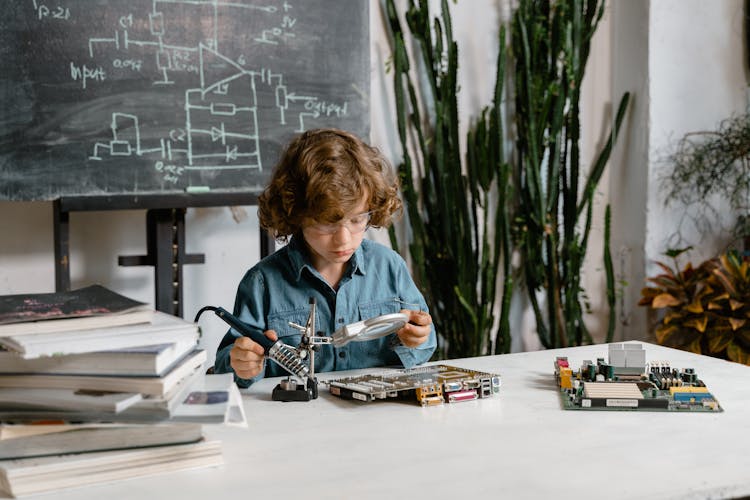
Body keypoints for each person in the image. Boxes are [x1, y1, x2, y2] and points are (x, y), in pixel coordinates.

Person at [213, 128, 436, 387]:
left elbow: (425, 346)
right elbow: (227, 369)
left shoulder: (389, 267)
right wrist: (240, 363)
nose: (344, 239)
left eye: (356, 219)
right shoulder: (262, 283)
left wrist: (418, 338)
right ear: (296, 214)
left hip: (376, 417)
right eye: (326, 223)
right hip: (297, 420)